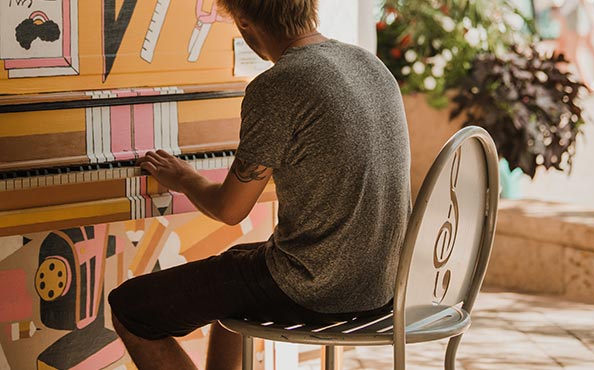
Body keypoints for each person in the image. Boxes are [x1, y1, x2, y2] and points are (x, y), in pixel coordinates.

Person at [107, 0, 412, 369]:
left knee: (130, 309)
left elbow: (229, 209)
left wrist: (183, 176)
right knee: (237, 274)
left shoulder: (278, 84)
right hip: (385, 285)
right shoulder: (370, 64)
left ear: (246, 24)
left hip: (316, 290)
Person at [552, 0, 594, 107]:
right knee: (570, 53)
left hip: (582, 10)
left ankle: (592, 87)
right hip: (578, 10)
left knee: (578, 52)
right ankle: (593, 88)